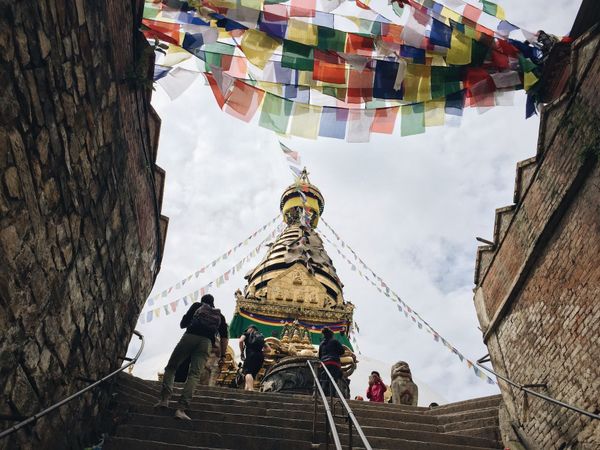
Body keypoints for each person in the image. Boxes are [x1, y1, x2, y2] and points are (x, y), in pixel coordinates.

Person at [154, 294, 228, 420]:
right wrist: (222, 355)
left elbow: (183, 324)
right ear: (213, 304)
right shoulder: (219, 316)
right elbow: (224, 338)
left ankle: (164, 400)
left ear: (202, 301)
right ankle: (181, 409)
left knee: (171, 367)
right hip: (206, 343)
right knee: (194, 375)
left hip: (190, 337)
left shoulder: (197, 306)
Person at [318, 327, 345, 395]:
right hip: (334, 363)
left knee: (324, 380)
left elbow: (320, 356)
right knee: (333, 380)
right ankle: (332, 395)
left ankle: (323, 394)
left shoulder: (321, 344)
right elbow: (342, 351)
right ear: (331, 335)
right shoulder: (335, 341)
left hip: (324, 364)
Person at [239, 325, 265, 391]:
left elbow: (240, 341)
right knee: (252, 374)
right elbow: (269, 349)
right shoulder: (260, 337)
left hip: (251, 355)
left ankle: (250, 389)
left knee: (247, 372)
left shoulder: (246, 334)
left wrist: (242, 352)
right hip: (260, 356)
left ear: (249, 329)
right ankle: (247, 389)